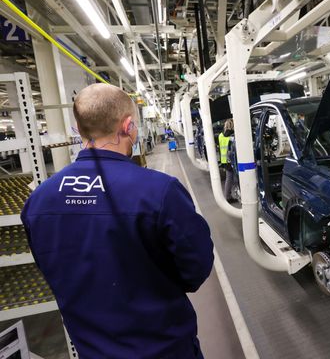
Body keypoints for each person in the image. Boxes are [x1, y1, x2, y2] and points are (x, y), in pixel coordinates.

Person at [21, 84, 214, 358]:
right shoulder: (159, 191)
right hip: (164, 346)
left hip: (91, 348)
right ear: (128, 126)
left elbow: (50, 267)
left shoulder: (39, 200)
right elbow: (196, 268)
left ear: (78, 128)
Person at [218, 119, 235, 203]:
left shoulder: (221, 135)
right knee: (231, 178)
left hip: (224, 160)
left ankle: (228, 196)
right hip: (231, 161)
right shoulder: (232, 137)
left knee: (229, 178)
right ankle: (228, 197)